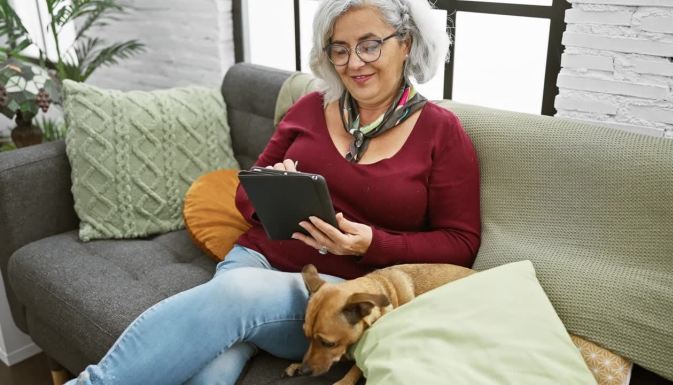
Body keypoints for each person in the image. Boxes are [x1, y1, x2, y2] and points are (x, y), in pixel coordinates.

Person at [65, 0, 480, 384]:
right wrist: (272, 188)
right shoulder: (309, 108)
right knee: (212, 369)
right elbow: (245, 194)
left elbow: (461, 244)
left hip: (333, 295)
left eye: (370, 45)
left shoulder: (441, 132)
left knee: (235, 295)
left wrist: (370, 243)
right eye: (339, 49)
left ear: (405, 44)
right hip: (254, 258)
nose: (354, 63)